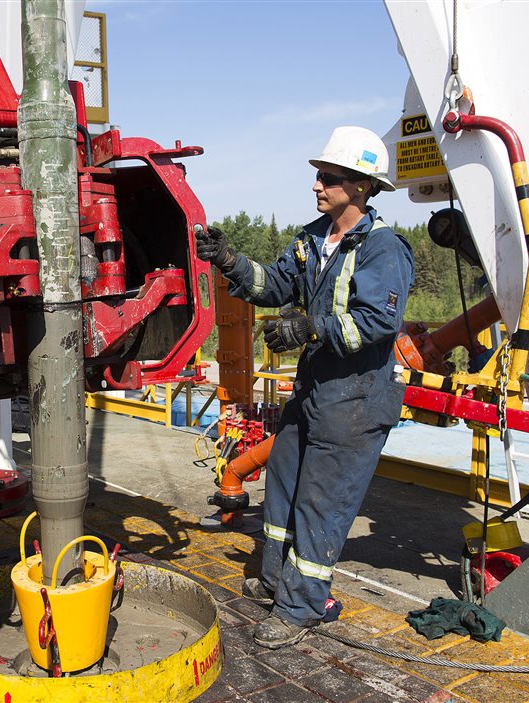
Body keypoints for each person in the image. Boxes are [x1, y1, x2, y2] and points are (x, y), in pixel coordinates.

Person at [196, 126, 414, 648]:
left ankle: (302, 607)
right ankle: (275, 582)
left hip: (357, 397)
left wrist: (312, 327)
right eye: (317, 175)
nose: (317, 184)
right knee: (284, 485)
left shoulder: (384, 249)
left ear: (361, 186)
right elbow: (274, 284)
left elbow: (377, 323)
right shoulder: (313, 239)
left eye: (329, 177)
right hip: (315, 390)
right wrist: (228, 260)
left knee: (322, 501)